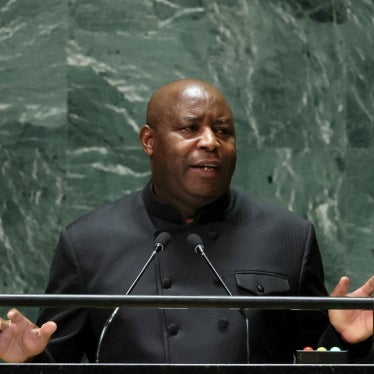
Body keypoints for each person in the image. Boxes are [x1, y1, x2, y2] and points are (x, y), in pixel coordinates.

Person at [0, 79, 373, 364]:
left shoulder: (289, 236)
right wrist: (20, 362)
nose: (211, 142)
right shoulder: (87, 243)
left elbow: (315, 355)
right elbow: (56, 364)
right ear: (149, 141)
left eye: (224, 132)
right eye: (190, 128)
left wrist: (350, 339)